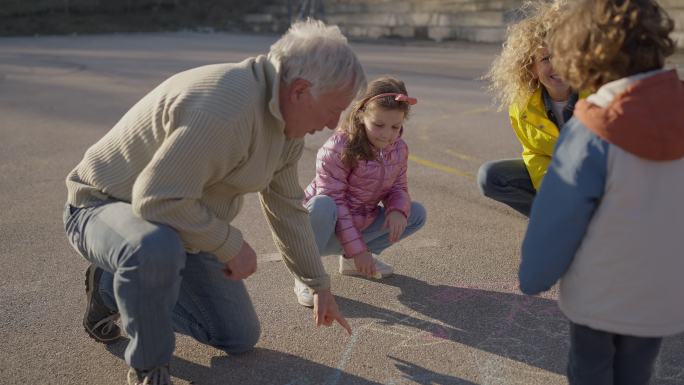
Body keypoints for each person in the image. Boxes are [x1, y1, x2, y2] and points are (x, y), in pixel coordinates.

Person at [62, 20, 365, 385]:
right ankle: (148, 365)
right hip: (103, 207)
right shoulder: (226, 106)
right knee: (154, 248)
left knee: (236, 336)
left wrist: (319, 285)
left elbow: (287, 207)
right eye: (333, 110)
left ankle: (122, 289)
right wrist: (229, 244)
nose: (334, 124)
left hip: (183, 222)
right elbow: (158, 199)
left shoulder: (287, 127)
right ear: (300, 90)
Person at [518, 1, 684, 384]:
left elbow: (558, 219)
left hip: (601, 294)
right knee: (637, 370)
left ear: (585, 54)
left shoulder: (592, 127)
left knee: (590, 369)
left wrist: (535, 275)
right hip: (663, 293)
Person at [293, 76, 427, 307]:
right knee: (323, 203)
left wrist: (397, 209)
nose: (387, 134)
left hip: (356, 224)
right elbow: (336, 203)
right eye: (378, 125)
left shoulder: (398, 148)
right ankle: (305, 273)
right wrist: (359, 250)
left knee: (414, 213)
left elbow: (399, 187)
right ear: (361, 114)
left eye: (395, 127)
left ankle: (351, 263)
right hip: (320, 228)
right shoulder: (337, 149)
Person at [478, 0, 584, 217]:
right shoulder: (522, 106)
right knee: (491, 176)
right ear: (531, 68)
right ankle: (555, 220)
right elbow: (535, 153)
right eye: (546, 58)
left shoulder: (600, 95)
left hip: (599, 179)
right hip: (561, 176)